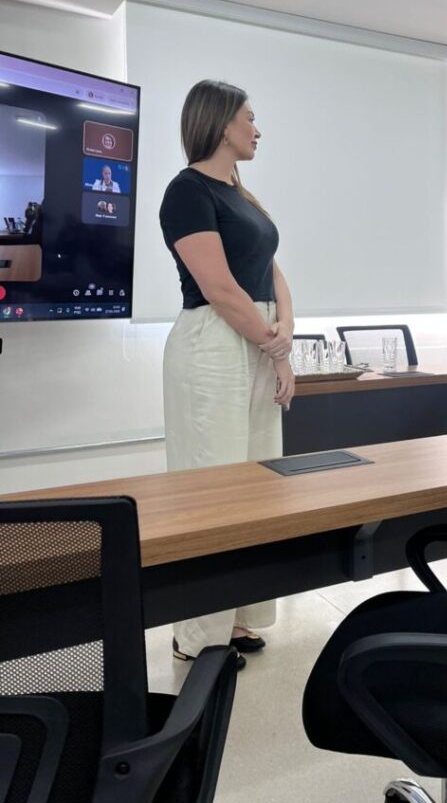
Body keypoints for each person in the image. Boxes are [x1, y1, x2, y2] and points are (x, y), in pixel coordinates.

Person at [159, 79, 295, 670]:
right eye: (249, 118)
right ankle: (197, 634)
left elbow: (271, 269)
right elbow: (218, 287)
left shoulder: (241, 194)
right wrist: (273, 343)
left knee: (255, 485)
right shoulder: (186, 192)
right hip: (214, 343)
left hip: (256, 338)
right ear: (219, 123)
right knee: (209, 491)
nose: (257, 129)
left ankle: (237, 614)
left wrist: (285, 334)